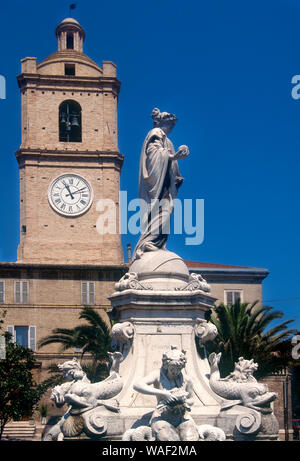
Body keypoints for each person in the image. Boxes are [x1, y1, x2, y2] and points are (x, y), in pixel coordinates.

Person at [132, 108, 189, 261]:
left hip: (166, 184)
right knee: (163, 210)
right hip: (156, 184)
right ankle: (148, 242)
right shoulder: (155, 134)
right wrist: (173, 156)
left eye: (173, 126)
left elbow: (171, 162)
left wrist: (177, 173)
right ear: (163, 124)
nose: (171, 128)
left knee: (168, 210)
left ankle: (156, 242)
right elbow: (153, 156)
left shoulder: (167, 141)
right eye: (170, 125)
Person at [133, 346, 199, 441]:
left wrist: (185, 402)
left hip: (183, 418)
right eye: (172, 368)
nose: (175, 372)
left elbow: (192, 399)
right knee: (169, 439)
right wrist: (163, 394)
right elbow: (137, 385)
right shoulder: (157, 375)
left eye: (179, 369)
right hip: (161, 418)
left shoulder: (187, 380)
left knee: (190, 439)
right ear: (166, 365)